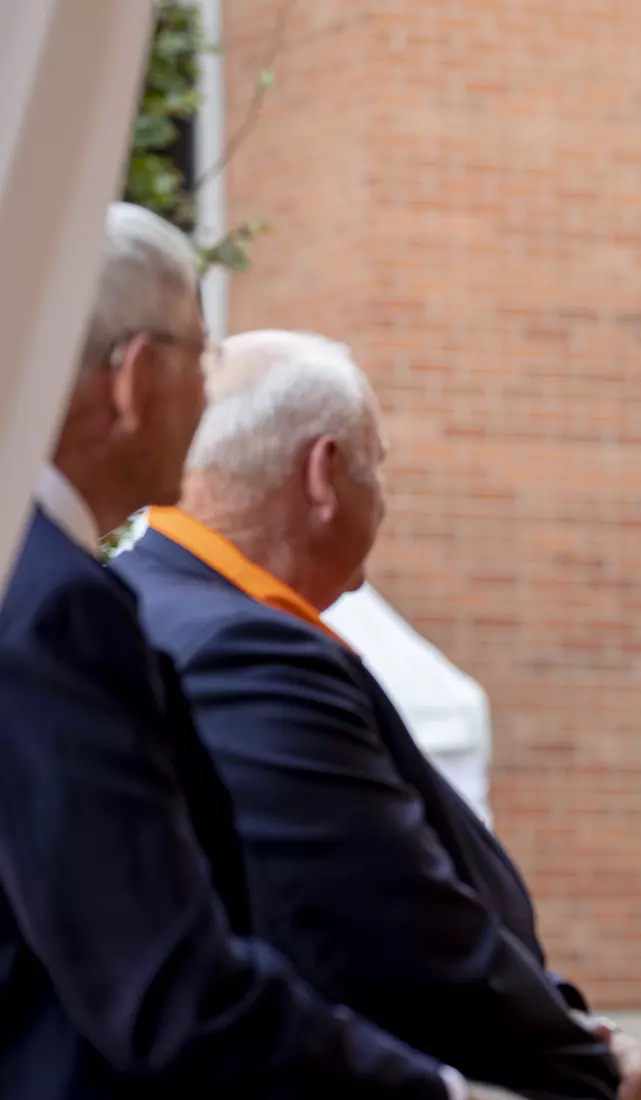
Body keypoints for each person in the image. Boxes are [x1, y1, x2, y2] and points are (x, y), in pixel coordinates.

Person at [0, 202, 523, 1099]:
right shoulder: (57, 607)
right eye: (201, 355)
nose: (213, 395)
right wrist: (440, 1093)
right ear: (134, 379)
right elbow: (167, 986)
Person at [113, 330, 641, 1100]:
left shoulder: (158, 604)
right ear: (325, 473)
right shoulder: (239, 646)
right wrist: (587, 1067)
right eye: (378, 465)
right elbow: (385, 926)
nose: (386, 495)